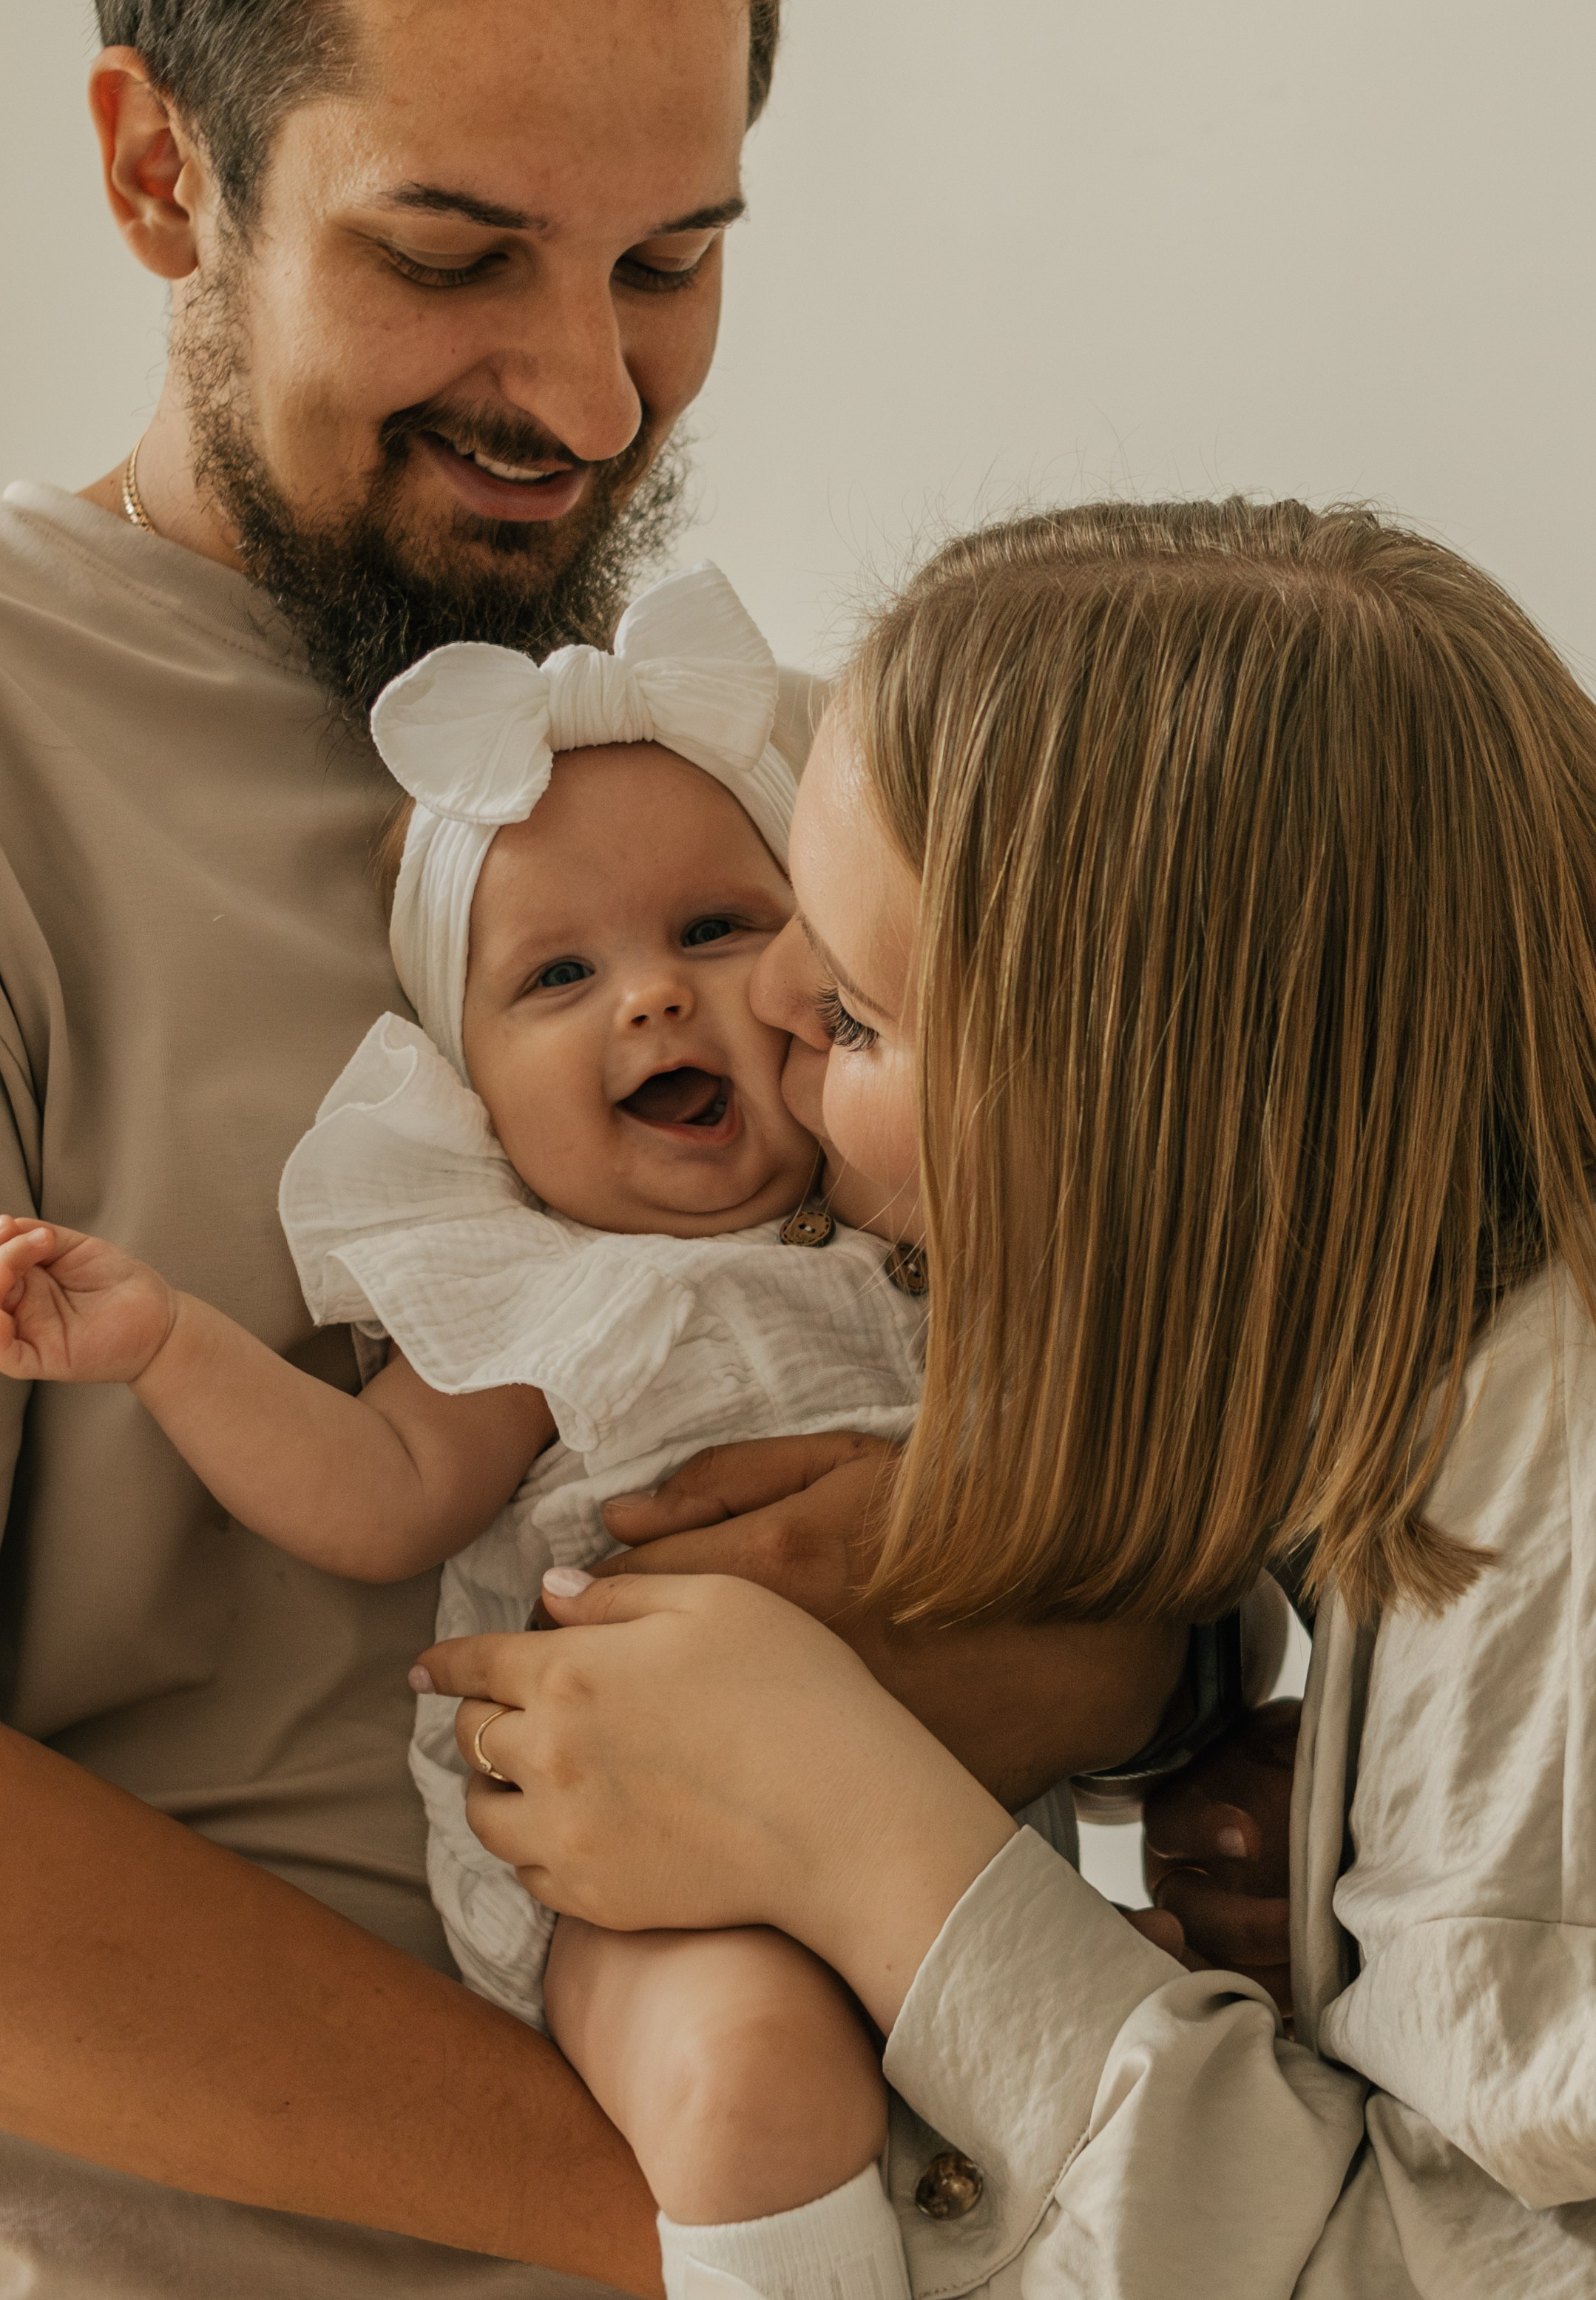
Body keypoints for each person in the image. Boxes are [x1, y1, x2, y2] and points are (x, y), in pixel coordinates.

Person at [0, 0, 1195, 2293]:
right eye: (453, 252)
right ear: (162, 168)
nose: (589, 394)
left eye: (671, 261)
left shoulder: (792, 776)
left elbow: (1157, 1546)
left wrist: (1103, 1642)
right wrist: (772, 2221)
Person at [425, 496, 1596, 2297]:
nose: (777, 1014)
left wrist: (857, 1838)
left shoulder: (1552, 1506)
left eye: (870, 1020)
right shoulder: (1433, 1405)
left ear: (1167, 1137)